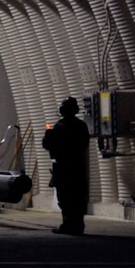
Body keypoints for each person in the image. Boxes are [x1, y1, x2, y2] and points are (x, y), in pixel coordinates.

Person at [42, 97, 90, 234]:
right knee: (78, 196)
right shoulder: (81, 126)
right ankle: (78, 224)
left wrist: (48, 135)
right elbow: (84, 145)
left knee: (65, 197)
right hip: (78, 166)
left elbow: (47, 145)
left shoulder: (60, 127)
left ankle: (68, 224)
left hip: (63, 167)